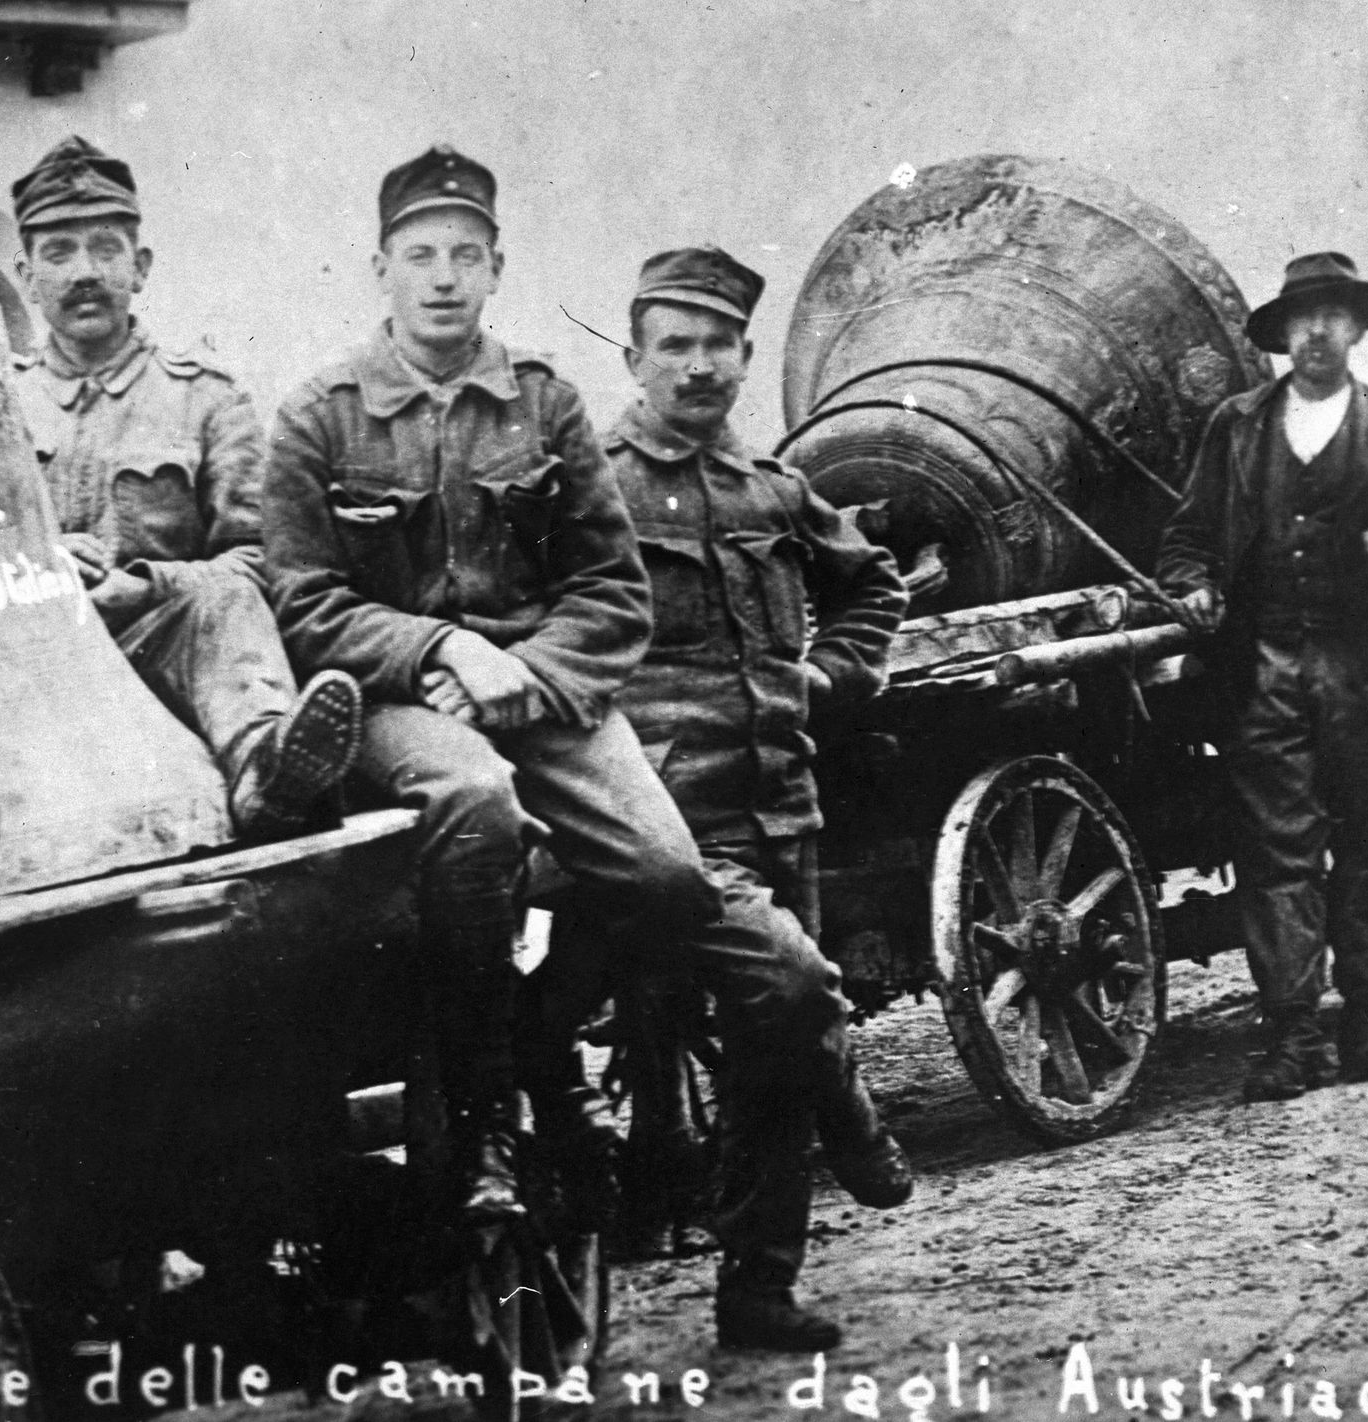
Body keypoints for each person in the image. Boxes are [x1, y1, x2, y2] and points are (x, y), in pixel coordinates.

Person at [263, 147, 903, 1351]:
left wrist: (533, 677)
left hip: (567, 710)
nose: (443, 279)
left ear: (496, 270)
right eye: (420, 257)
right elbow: (302, 603)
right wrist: (443, 655)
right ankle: (507, 1110)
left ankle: (744, 1204)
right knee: (479, 821)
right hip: (407, 699)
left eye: (465, 256)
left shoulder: (546, 408)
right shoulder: (319, 413)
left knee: (671, 888)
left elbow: (607, 592)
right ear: (380, 270)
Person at [602, 247, 912, 1342]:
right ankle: (853, 1109)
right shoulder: (591, 490)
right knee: (776, 997)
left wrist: (831, 673)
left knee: (768, 1055)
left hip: (783, 800)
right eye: (672, 346)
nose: (696, 367)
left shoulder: (773, 490)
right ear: (635, 356)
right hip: (658, 822)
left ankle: (758, 1291)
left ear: (742, 355)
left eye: (716, 345)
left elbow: (867, 582)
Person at [10, 136, 361, 839]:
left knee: (224, 595)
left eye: (106, 249)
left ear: (140, 268)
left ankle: (271, 770)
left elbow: (261, 563)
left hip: (157, 649)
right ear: (24, 275)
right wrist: (39, 569)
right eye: (59, 253)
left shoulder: (206, 398)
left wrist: (148, 586)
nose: (85, 272)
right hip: (33, 657)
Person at [1158, 252, 1368, 1101]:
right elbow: (1189, 534)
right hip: (1264, 668)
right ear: (1281, 335)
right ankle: (1292, 1035)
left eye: (1333, 315)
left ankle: (1365, 1023)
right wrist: (1193, 586)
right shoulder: (1237, 428)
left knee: (1364, 842)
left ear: (1358, 328)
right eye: (1301, 317)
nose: (1317, 331)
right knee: (1275, 853)